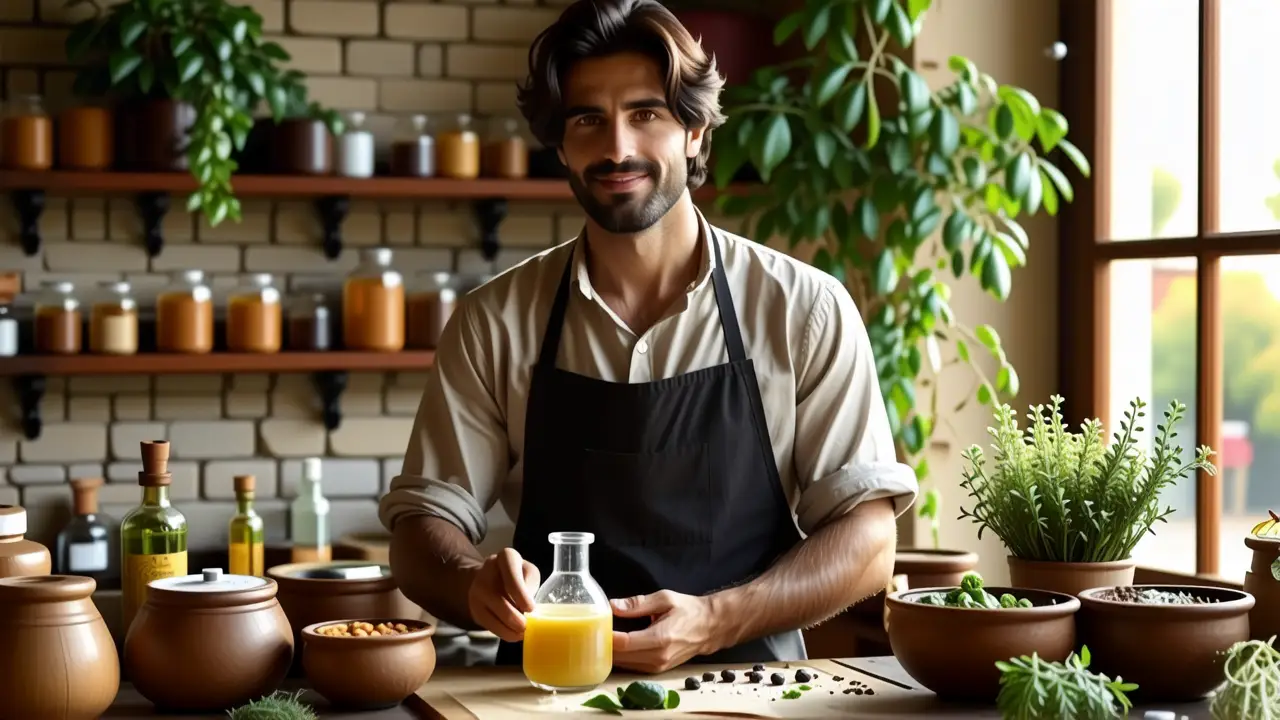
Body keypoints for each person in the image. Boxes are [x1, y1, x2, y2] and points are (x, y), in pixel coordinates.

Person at [379, 0, 919, 674]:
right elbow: (419, 527)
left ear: (693, 131)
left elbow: (869, 543)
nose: (617, 148)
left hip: (749, 691)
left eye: (646, 114)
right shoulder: (495, 321)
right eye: (587, 120)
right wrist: (467, 583)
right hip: (545, 694)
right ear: (560, 142)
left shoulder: (804, 309)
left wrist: (718, 620)